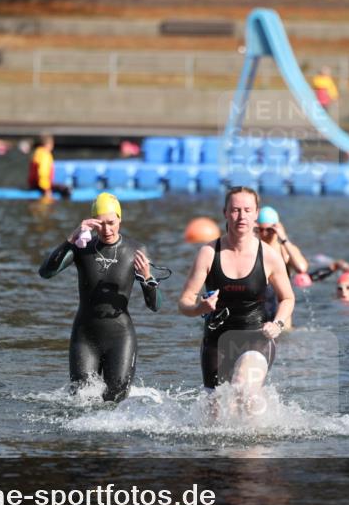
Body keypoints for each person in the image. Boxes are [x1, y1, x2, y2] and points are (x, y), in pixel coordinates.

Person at [178, 186, 294, 408]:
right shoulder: (209, 253)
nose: (241, 216)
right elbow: (184, 302)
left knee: (243, 391)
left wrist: (278, 323)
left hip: (256, 338)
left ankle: (256, 443)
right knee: (216, 415)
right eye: (235, 210)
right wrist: (198, 309)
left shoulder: (269, 256)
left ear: (256, 214)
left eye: (247, 210)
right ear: (225, 213)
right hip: (216, 342)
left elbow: (288, 298)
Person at [38, 193, 160, 402]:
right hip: (85, 337)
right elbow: (46, 272)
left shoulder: (135, 250)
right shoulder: (81, 249)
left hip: (120, 337)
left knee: (115, 401)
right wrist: (72, 238)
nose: (107, 229)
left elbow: (154, 305)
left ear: (120, 219)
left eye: (111, 223)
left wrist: (147, 278)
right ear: (92, 224)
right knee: (80, 401)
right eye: (100, 224)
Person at [256, 206, 308, 327]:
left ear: (277, 228)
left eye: (269, 230)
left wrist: (284, 238)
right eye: (260, 229)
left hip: (281, 318)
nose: (264, 233)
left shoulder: (284, 250)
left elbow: (301, 268)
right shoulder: (254, 250)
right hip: (259, 317)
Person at [28, 135, 72, 200]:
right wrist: (46, 190)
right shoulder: (45, 155)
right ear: (48, 144)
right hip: (41, 186)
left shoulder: (37, 152)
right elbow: (43, 173)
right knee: (67, 189)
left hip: (33, 185)